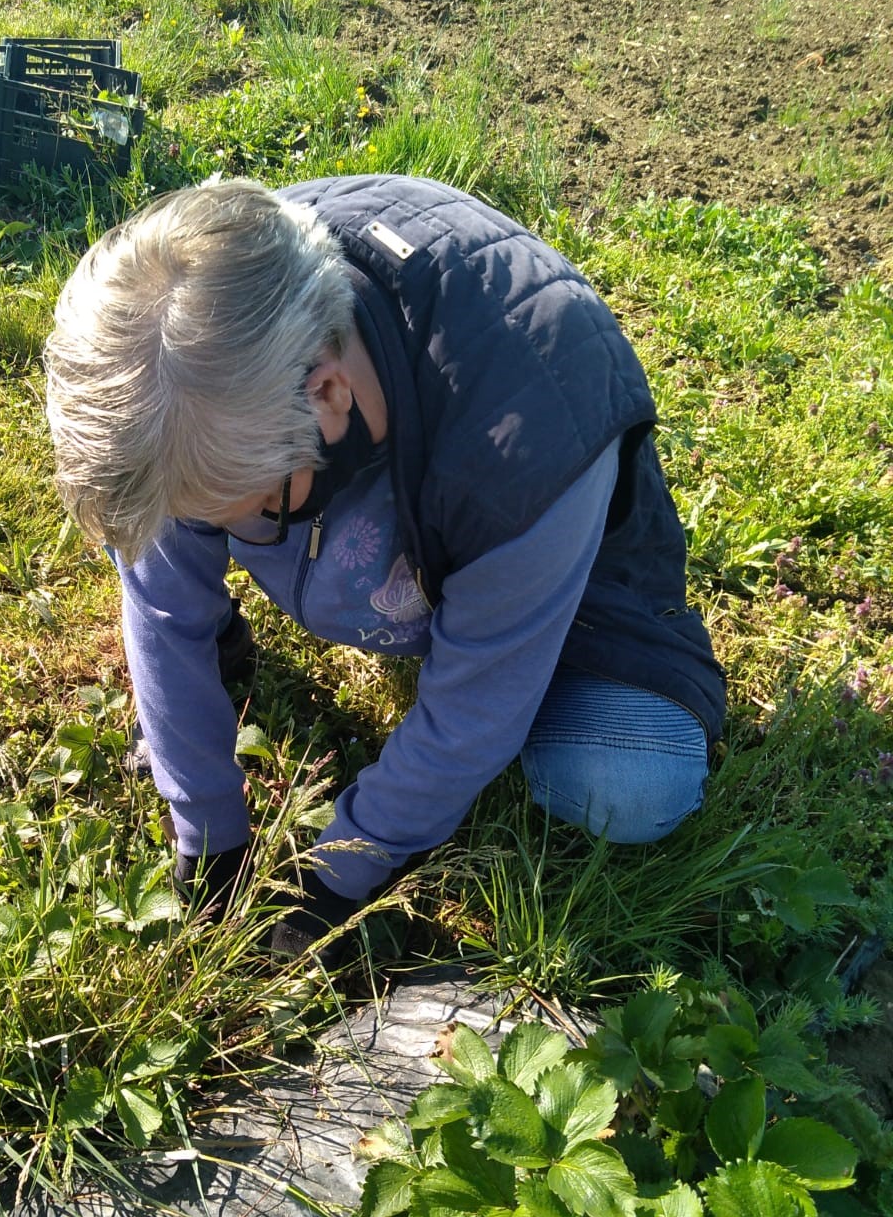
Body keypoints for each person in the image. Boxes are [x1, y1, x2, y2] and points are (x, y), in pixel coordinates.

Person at [45, 174, 727, 960]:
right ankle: (251, 582)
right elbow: (160, 604)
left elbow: (474, 714)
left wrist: (339, 870)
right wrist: (207, 830)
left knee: (629, 782)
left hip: (563, 560)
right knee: (173, 495)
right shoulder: (201, 338)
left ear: (327, 393)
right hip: (335, 475)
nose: (202, 535)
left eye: (235, 504)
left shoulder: (526, 439)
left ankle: (530, 665)